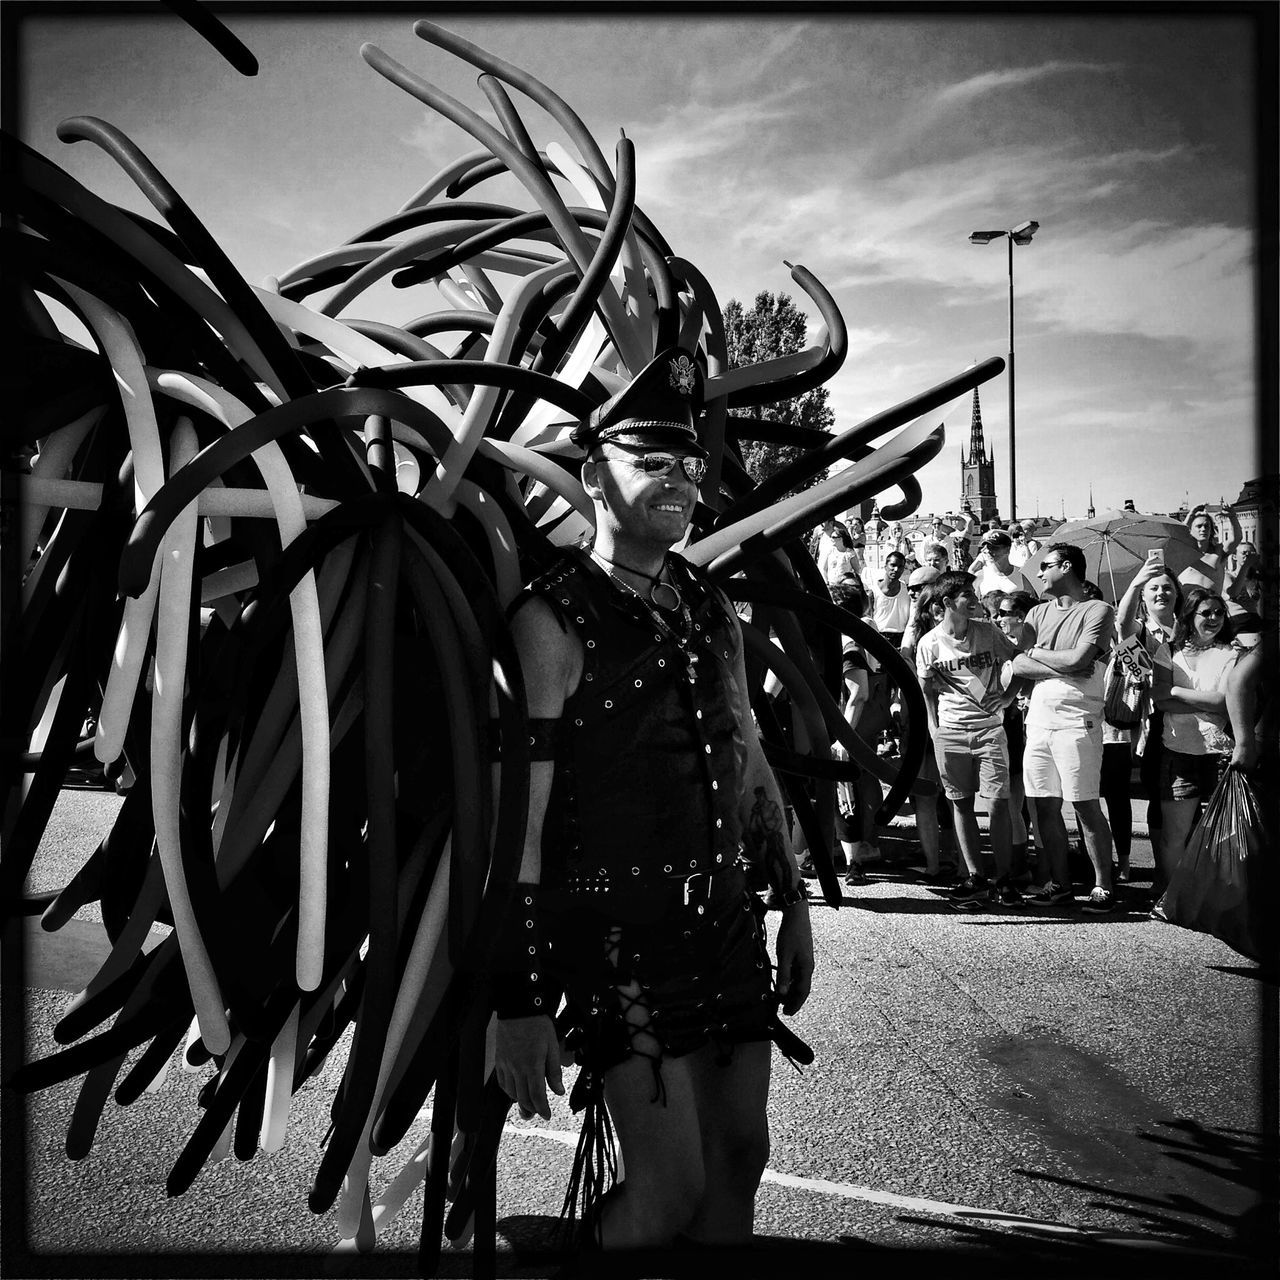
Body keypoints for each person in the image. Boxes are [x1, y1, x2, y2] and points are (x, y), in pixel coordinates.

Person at [496, 347, 814, 1251]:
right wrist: (514, 998)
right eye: (653, 462)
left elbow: (751, 762)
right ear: (594, 472)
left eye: (691, 466)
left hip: (726, 922)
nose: (680, 482)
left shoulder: (709, 603)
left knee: (742, 1156)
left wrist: (792, 908)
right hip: (614, 939)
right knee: (668, 1192)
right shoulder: (548, 618)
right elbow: (519, 822)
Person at [1008, 543, 1119, 913]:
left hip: (1078, 718)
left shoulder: (1099, 609)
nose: (1040, 573)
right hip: (1038, 719)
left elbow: (1081, 659)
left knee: (1085, 804)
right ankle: (1060, 884)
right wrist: (1055, 663)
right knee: (1044, 808)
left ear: (1067, 566)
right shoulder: (1037, 613)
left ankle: (1103, 885)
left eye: (1046, 566)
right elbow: (1017, 665)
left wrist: (1037, 656)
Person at [915, 572, 1022, 909]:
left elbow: (1020, 662)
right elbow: (925, 689)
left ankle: (1003, 880)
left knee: (998, 804)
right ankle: (974, 877)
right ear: (947, 603)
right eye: (966, 595)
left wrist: (1007, 699)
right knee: (961, 805)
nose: (974, 599)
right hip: (951, 732)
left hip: (990, 730)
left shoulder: (988, 632)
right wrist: (934, 729)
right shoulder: (929, 643)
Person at [1151, 587, 1244, 885]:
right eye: (1206, 613)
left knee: (1225, 835)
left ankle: (1218, 900)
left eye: (1219, 613)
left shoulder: (1232, 652)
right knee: (1174, 835)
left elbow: (1223, 701)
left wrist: (1177, 690)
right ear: (1190, 616)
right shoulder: (1167, 652)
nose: (1214, 618)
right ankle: (1170, 898)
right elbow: (1159, 700)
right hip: (1178, 750)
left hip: (1221, 753)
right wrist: (1201, 699)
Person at [1109, 561, 1181, 889]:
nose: (1161, 592)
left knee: (1188, 804)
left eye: (1167, 587)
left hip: (1196, 724)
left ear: (1178, 593)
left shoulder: (1189, 629)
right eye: (1153, 588)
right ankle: (1161, 874)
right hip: (1157, 725)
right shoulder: (1139, 631)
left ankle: (1185, 873)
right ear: (1143, 597)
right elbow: (1121, 625)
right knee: (1159, 799)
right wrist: (1137, 580)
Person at [830, 577, 891, 885]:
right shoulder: (858, 635)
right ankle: (866, 845)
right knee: (860, 784)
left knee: (847, 792)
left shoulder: (847, 643)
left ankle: (857, 857)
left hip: (850, 725)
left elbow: (859, 693)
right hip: (860, 724)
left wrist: (843, 736)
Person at [897, 569, 957, 882]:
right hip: (929, 718)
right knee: (938, 796)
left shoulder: (924, 630)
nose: (913, 594)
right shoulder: (932, 626)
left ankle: (946, 863)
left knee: (941, 796)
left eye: (917, 588)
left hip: (934, 718)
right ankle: (944, 862)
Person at [992, 590, 1042, 883]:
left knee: (1034, 803)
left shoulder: (1031, 650)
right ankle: (1019, 867)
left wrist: (1011, 697)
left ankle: (1039, 868)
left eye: (1004, 612)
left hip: (1027, 727)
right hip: (1011, 729)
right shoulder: (1005, 647)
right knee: (1013, 802)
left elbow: (1021, 685)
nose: (998, 618)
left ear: (1021, 616)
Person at [1178, 503, 1241, 594]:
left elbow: (1236, 538)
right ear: (1190, 530)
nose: (1203, 529)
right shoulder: (1183, 553)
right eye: (1199, 526)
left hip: (1213, 605)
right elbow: (1178, 535)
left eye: (1206, 526)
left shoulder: (1218, 551)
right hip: (1189, 606)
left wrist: (1232, 517)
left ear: (1211, 530)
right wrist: (1190, 515)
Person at [967, 528, 1038, 598]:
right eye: (988, 547)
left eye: (994, 548)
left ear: (1007, 549)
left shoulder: (1021, 576)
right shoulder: (981, 575)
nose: (989, 551)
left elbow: (1031, 602)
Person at [862, 548, 911, 648]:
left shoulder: (908, 591)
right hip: (878, 637)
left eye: (900, 566)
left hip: (902, 639)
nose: (896, 569)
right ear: (885, 567)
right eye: (893, 565)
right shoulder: (873, 592)